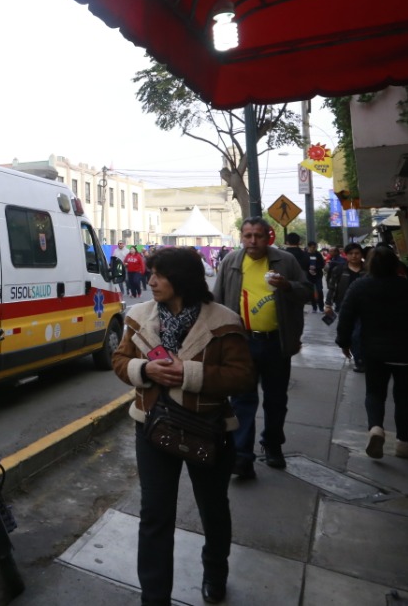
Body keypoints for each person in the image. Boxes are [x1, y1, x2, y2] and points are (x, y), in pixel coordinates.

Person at [112, 247, 255, 606]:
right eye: (150, 273)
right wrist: (144, 370)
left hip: (207, 429)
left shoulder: (223, 321)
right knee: (155, 515)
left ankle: (215, 574)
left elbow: (242, 376)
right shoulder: (139, 315)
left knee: (212, 507)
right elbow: (120, 358)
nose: (151, 280)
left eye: (159, 274)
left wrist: (187, 373)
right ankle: (154, 596)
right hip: (152, 427)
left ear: (183, 279)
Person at [213, 217, 312, 480]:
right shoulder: (231, 262)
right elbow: (217, 302)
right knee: (242, 401)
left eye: (258, 235)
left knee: (276, 399)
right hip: (242, 343)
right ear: (241, 237)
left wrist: (287, 285)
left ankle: (273, 444)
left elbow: (306, 292)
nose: (253, 241)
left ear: (268, 236)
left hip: (275, 342)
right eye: (248, 236)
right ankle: (242, 457)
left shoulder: (285, 261)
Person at [335, 244, 408, 460]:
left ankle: (375, 428)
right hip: (406, 352)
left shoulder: (360, 287)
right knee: (404, 397)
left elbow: (346, 317)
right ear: (395, 265)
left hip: (373, 352)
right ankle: (403, 442)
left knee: (374, 393)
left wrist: (344, 343)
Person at [326, 243, 367, 371]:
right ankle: (353, 352)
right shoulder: (339, 270)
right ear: (346, 255)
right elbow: (332, 288)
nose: (354, 256)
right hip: (344, 307)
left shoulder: (368, 269)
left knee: (358, 334)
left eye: (357, 253)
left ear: (361, 255)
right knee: (348, 332)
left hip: (364, 308)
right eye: (351, 254)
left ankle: (360, 360)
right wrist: (328, 304)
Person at [305, 241, 325, 312]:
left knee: (319, 290)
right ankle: (314, 307)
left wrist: (316, 267)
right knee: (311, 291)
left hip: (318, 275)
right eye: (313, 247)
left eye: (315, 247)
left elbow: (322, 264)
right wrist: (308, 269)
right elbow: (303, 265)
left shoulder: (318, 254)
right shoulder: (305, 255)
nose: (314, 249)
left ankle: (321, 307)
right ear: (309, 247)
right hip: (309, 276)